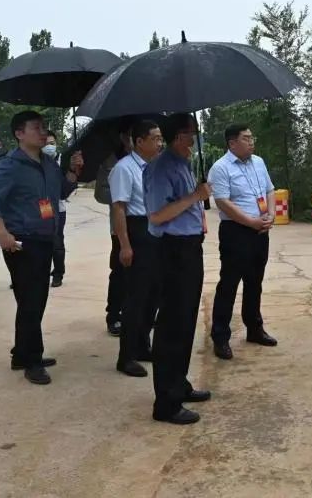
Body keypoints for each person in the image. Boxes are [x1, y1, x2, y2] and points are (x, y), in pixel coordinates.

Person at [0, 111, 83, 385]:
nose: (43, 132)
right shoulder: (10, 165)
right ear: (19, 134)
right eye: (36, 128)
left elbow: (61, 192)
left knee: (32, 301)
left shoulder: (48, 163)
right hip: (22, 243)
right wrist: (2, 232)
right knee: (31, 301)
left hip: (46, 238)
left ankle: (21, 353)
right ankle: (32, 361)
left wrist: (73, 171)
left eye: (43, 127)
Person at [144, 113, 212, 424]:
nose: (194, 139)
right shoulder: (161, 168)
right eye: (190, 134)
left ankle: (179, 384)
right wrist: (194, 197)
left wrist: (198, 201)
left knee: (185, 321)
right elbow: (156, 216)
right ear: (178, 136)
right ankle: (166, 403)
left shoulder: (183, 163)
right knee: (172, 324)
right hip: (171, 250)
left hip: (189, 248)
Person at [208, 124, 277, 360]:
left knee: (254, 282)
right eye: (246, 138)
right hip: (236, 232)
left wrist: (272, 214)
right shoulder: (220, 168)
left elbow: (270, 190)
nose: (251, 141)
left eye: (251, 137)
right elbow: (223, 202)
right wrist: (250, 221)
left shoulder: (258, 162)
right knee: (229, 284)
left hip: (260, 231)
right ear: (232, 143)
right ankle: (220, 336)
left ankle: (254, 328)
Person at [110, 119, 164, 377]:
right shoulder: (124, 169)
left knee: (153, 294)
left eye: (161, 138)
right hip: (137, 230)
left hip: (156, 229)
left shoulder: (156, 167)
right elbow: (119, 208)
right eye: (155, 138)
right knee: (136, 298)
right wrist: (125, 245)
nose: (160, 142)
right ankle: (126, 356)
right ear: (139, 141)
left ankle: (143, 345)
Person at [96, 124, 133, 336]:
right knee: (119, 272)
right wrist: (123, 194)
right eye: (130, 135)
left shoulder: (151, 161)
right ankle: (114, 314)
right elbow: (100, 194)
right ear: (123, 137)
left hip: (148, 226)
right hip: (120, 227)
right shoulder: (111, 162)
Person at [44, 131, 70, 288]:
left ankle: (58, 272)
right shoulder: (37, 160)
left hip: (58, 206)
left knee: (57, 239)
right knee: (43, 238)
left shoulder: (63, 160)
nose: (49, 146)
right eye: (46, 143)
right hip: (43, 205)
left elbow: (67, 185)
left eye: (52, 143)